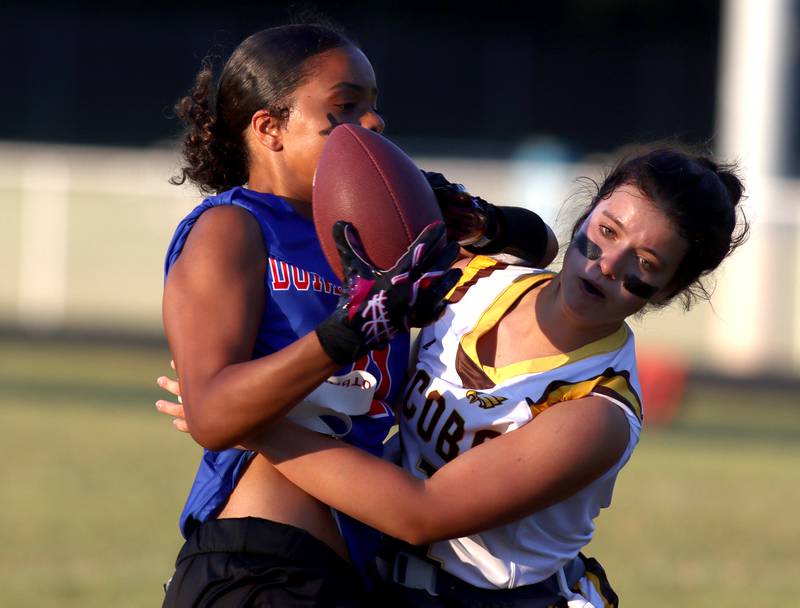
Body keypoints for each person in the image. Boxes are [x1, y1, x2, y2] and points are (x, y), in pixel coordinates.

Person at [161, 148, 747, 606]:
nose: (606, 264)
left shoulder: (599, 411)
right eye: (608, 229)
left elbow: (422, 511)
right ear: (589, 210)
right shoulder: (475, 279)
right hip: (377, 569)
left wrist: (247, 420)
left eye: (645, 265)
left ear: (669, 290)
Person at [159, 23, 556, 608]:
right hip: (260, 563)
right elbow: (214, 414)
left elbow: (540, 247)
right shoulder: (233, 228)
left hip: (358, 565)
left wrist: (477, 218)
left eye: (373, 106)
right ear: (270, 128)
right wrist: (347, 332)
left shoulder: (371, 230)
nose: (373, 123)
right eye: (345, 108)